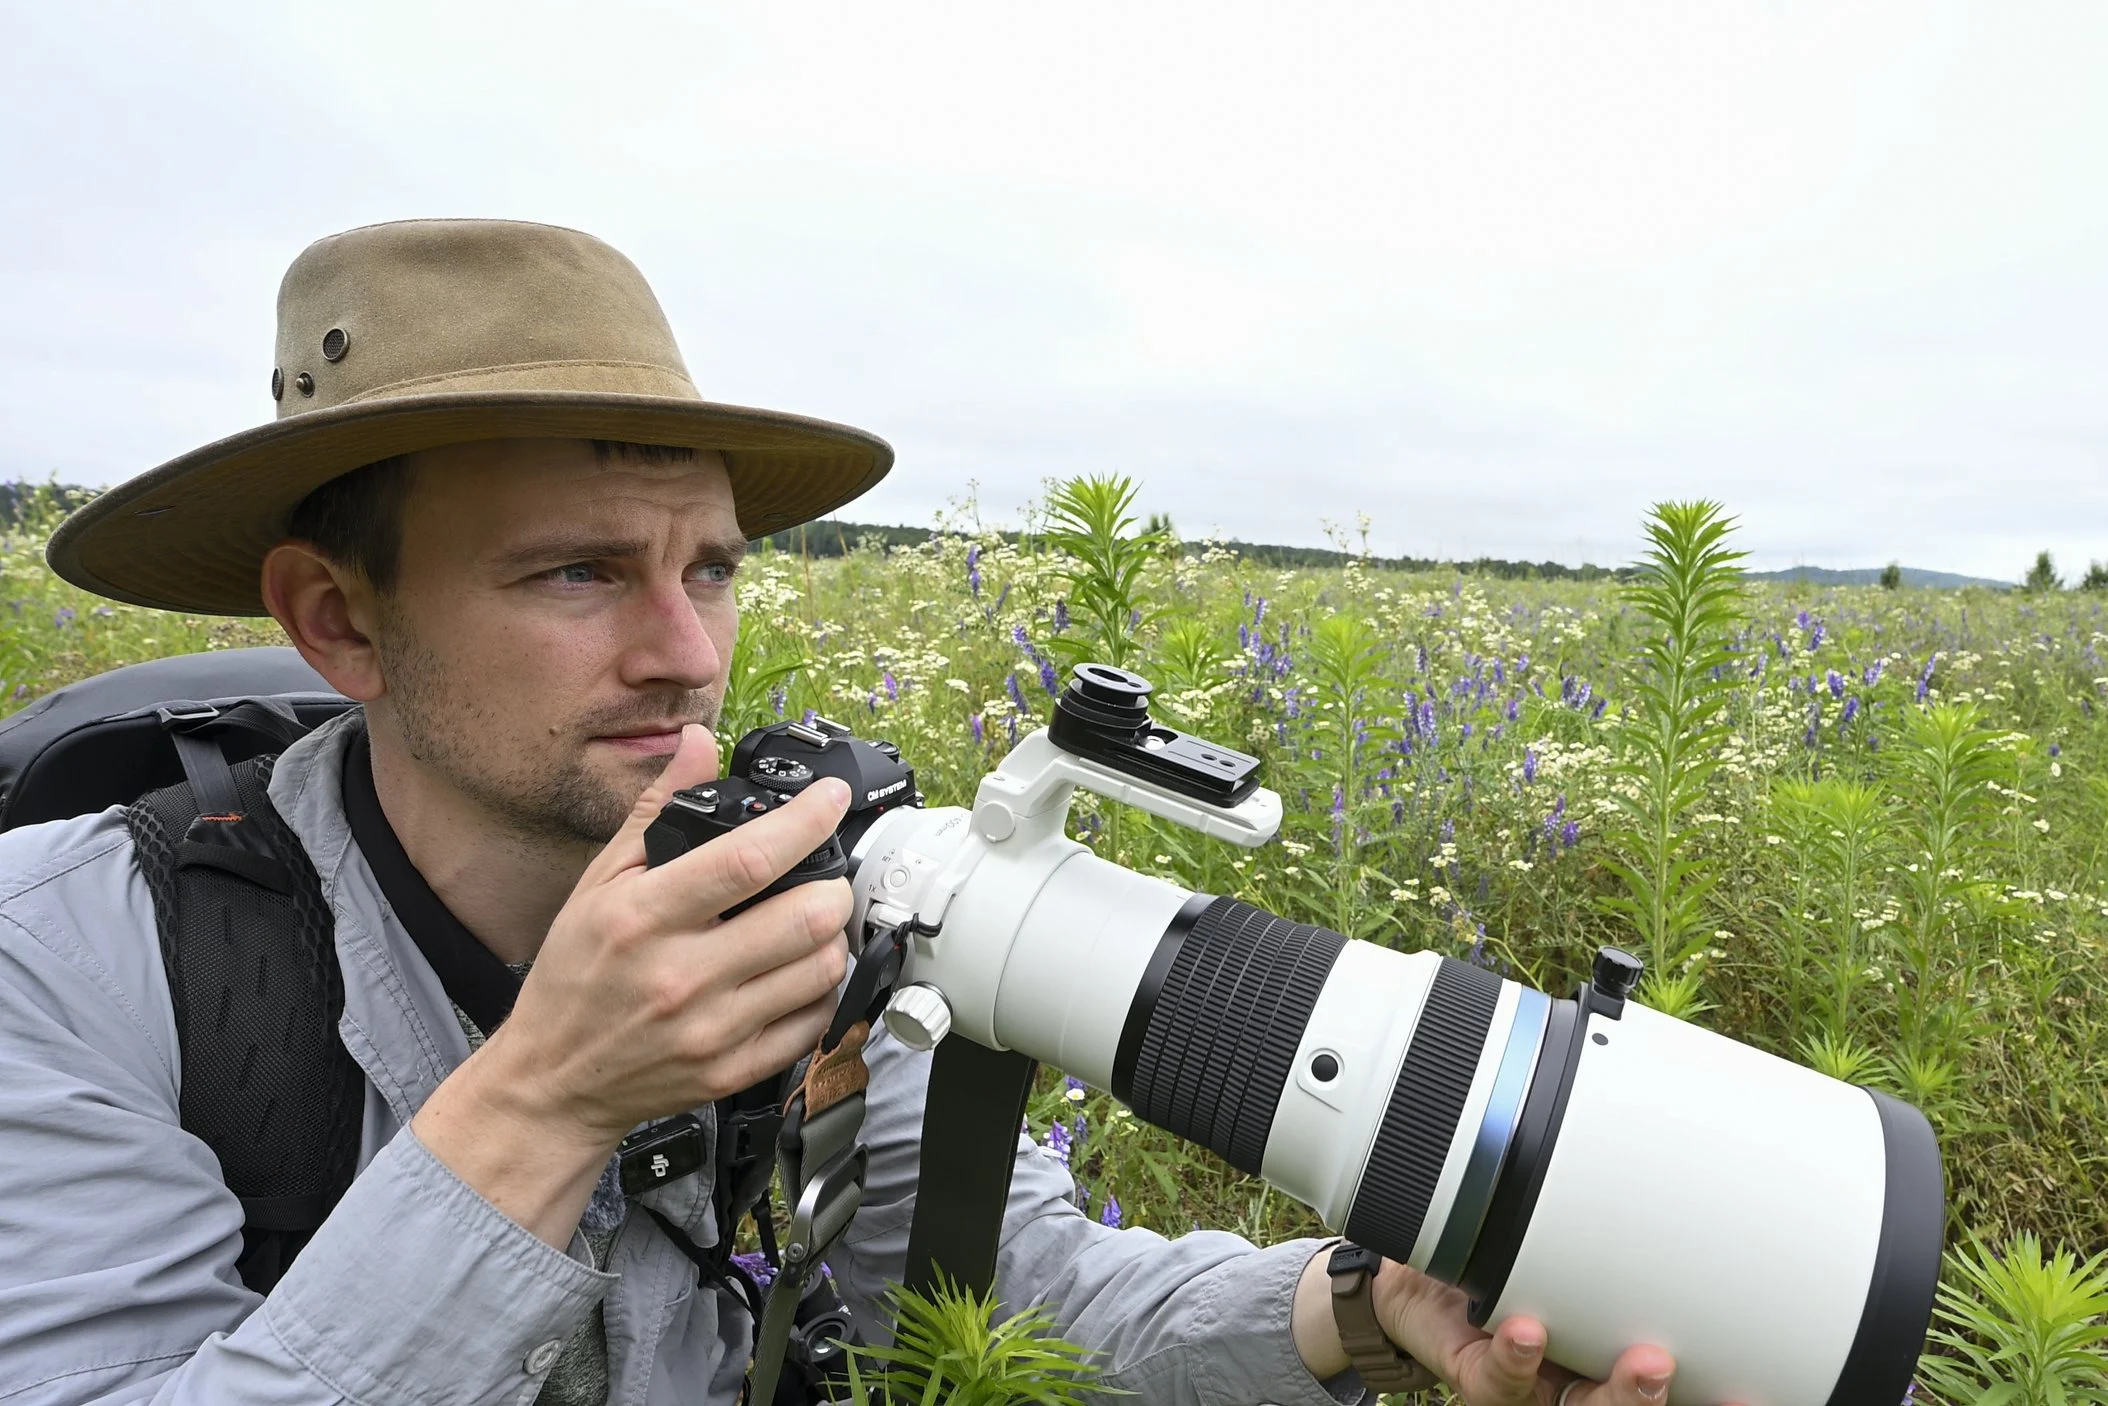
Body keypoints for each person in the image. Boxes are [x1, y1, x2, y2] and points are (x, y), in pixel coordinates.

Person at [0, 219, 1678, 1405]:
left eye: (711, 566)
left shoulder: (794, 921)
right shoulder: (73, 959)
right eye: (578, 569)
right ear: (341, 620)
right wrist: (547, 1103)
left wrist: (1364, 1311)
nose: (685, 654)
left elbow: (1010, 1293)